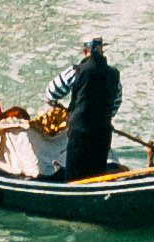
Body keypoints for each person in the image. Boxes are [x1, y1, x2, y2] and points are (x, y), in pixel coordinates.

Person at [49, 39, 120, 180]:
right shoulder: (114, 74)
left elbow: (51, 91)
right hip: (102, 132)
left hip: (80, 132)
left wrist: (57, 105)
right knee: (96, 175)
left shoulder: (76, 71)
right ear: (102, 50)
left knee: (75, 176)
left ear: (85, 51)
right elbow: (116, 103)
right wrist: (103, 117)